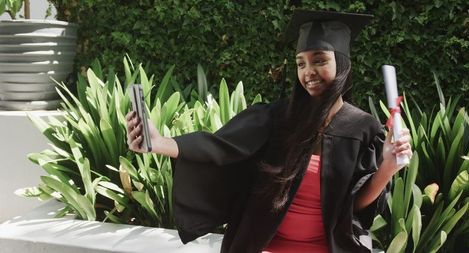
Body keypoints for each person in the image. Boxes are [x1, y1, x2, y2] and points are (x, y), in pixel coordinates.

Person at [126, 9, 412, 253]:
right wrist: (158, 142)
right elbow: (220, 148)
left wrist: (387, 167)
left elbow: (356, 206)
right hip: (264, 245)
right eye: (301, 63)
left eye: (320, 60)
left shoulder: (363, 129)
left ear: (342, 63)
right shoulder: (276, 117)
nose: (308, 71)